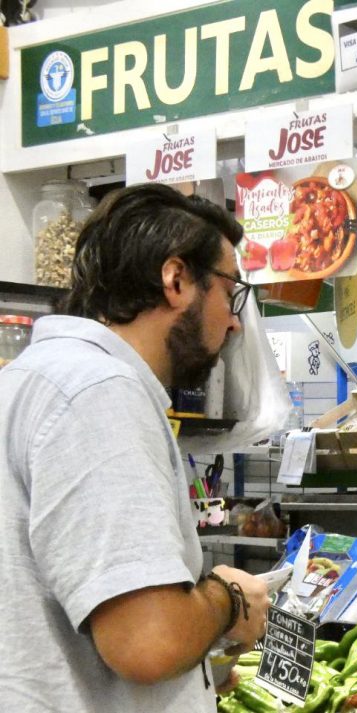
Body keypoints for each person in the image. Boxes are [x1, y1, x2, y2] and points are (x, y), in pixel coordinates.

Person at [0, 183, 270, 712]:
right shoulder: (99, 394)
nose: (235, 321)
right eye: (230, 292)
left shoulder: (29, 380)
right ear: (176, 280)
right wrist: (229, 597)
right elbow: (147, 642)